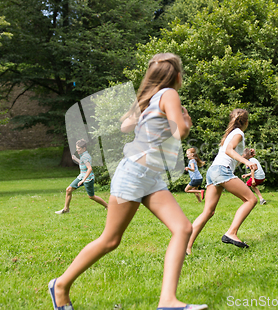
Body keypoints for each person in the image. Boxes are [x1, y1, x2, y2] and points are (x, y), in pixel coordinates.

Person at [49, 53, 208, 310]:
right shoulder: (168, 94)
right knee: (110, 240)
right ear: (177, 76)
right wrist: (186, 122)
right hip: (135, 173)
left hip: (151, 177)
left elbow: (125, 126)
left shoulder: (148, 99)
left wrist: (141, 117)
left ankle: (168, 302)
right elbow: (180, 131)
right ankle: (60, 285)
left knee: (182, 228)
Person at [186, 109, 258, 255]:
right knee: (251, 199)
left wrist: (246, 156)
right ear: (246, 122)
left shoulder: (230, 134)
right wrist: (247, 161)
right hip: (221, 170)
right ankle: (231, 233)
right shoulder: (239, 133)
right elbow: (229, 151)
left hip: (213, 171)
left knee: (208, 211)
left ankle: (186, 246)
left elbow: (231, 157)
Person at [55, 139, 108, 214]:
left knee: (91, 196)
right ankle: (66, 209)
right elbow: (83, 164)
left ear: (84, 148)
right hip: (81, 176)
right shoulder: (83, 155)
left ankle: (107, 206)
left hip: (88, 179)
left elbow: (89, 168)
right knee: (69, 189)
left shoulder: (85, 156)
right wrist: (76, 159)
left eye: (79, 148)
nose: (77, 150)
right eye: (76, 148)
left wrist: (83, 180)